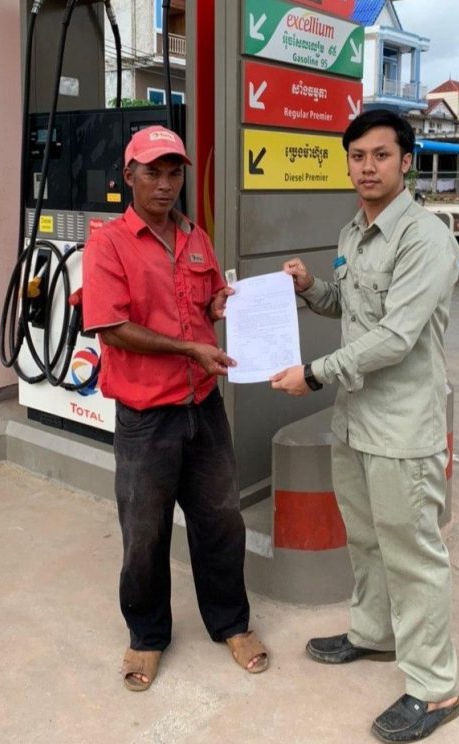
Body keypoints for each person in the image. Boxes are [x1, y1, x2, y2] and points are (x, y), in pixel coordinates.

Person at [271, 109, 459, 742]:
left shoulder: (425, 238)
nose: (367, 168)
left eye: (381, 155)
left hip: (402, 427)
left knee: (414, 555)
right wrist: (310, 287)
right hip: (356, 422)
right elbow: (349, 307)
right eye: (357, 157)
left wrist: (314, 374)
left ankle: (435, 689)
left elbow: (396, 336)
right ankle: (375, 633)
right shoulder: (354, 232)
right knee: (368, 539)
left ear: (406, 161)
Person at [82, 125, 268, 692]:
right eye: (153, 173)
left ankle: (231, 623)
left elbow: (205, 303)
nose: (165, 185)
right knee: (145, 531)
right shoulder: (109, 243)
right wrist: (189, 348)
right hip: (146, 416)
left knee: (222, 521)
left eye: (173, 173)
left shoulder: (195, 236)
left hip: (203, 406)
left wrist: (219, 305)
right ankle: (146, 636)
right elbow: (112, 327)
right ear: (129, 175)